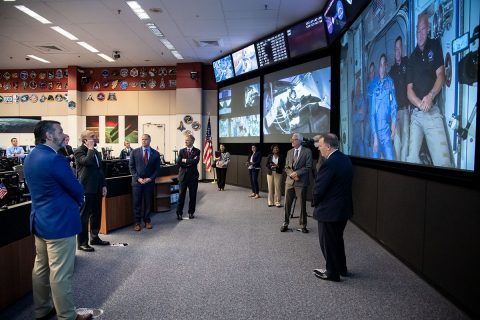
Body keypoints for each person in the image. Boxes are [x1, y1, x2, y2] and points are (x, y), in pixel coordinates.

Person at [24, 120, 92, 320]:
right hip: (60, 224)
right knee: (61, 273)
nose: (63, 134)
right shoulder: (55, 160)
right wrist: (81, 199)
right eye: (60, 131)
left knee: (41, 268)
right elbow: (76, 188)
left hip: (40, 222)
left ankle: (42, 309)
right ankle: (68, 316)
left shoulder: (30, 157)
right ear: (49, 136)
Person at [406, 13, 452, 167]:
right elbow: (409, 90)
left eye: (423, 29)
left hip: (432, 111)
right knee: (410, 160)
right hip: (417, 114)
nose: (420, 34)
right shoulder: (412, 58)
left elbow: (441, 75)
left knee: (443, 162)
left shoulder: (434, 46)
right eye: (418, 31)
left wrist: (430, 96)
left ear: (428, 29)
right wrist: (420, 103)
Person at [312, 133, 353, 282]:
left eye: (321, 145)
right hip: (343, 209)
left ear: (328, 147)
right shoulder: (345, 159)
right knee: (337, 240)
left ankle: (332, 272)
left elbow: (319, 188)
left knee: (328, 242)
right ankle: (342, 268)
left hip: (329, 211)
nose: (319, 148)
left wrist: (314, 202)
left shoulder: (329, 163)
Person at [74, 130, 109, 252]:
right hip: (86, 188)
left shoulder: (96, 152)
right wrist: (90, 148)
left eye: (95, 136)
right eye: (92, 136)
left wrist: (103, 185)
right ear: (85, 140)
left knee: (96, 214)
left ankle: (94, 237)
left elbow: (100, 170)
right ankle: (82, 243)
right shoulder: (79, 151)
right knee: (84, 216)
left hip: (98, 187)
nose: (95, 138)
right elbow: (87, 162)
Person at [281, 133, 312, 233]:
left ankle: (303, 225)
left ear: (299, 140)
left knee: (302, 204)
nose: (292, 141)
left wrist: (297, 173)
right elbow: (286, 167)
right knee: (287, 204)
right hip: (289, 182)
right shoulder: (289, 152)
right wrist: (292, 174)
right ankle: (285, 223)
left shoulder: (307, 152)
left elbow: (308, 166)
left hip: (301, 182)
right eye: (292, 139)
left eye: (294, 139)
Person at [129, 134, 160, 231]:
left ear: (150, 140)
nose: (143, 141)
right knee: (137, 203)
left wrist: (150, 178)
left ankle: (147, 221)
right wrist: (138, 178)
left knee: (148, 202)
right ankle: (137, 222)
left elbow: (157, 169)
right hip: (137, 182)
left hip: (149, 182)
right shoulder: (134, 152)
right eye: (142, 139)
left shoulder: (155, 154)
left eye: (145, 139)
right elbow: (131, 167)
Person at [370, 54, 397, 160]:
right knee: (374, 165)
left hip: (386, 133)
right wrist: (375, 138)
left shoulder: (390, 83)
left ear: (386, 66)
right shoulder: (374, 85)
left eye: (383, 65)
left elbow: (394, 107)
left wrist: (393, 129)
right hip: (376, 133)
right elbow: (372, 115)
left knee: (391, 160)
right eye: (380, 65)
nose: (382, 68)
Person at [389, 35, 410, 162]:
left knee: (406, 140)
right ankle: (397, 164)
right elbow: (390, 96)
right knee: (397, 141)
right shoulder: (391, 71)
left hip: (406, 110)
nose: (397, 51)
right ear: (394, 50)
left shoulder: (407, 63)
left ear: (402, 49)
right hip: (395, 112)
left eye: (399, 48)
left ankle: (404, 165)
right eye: (395, 48)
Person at [176, 134, 200, 220]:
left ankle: (191, 212)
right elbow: (178, 162)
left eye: (187, 140)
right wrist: (189, 162)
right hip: (183, 177)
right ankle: (179, 213)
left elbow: (195, 161)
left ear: (192, 141)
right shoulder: (181, 151)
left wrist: (185, 160)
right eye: (185, 140)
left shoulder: (197, 151)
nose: (185, 141)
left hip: (193, 177)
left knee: (192, 196)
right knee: (181, 196)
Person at [351, 78, 366, 157]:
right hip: (354, 135)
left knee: (362, 156)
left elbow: (362, 116)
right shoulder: (354, 100)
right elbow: (352, 118)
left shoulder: (362, 98)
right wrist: (358, 112)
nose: (358, 88)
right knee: (351, 156)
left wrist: (356, 114)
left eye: (359, 85)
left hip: (360, 135)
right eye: (357, 85)